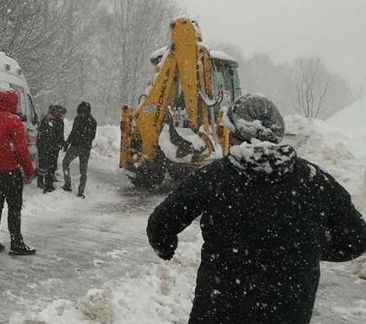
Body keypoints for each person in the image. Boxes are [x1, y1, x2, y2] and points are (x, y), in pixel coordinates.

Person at [146, 93, 366, 324]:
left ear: (234, 133)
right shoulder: (315, 181)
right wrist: (309, 250)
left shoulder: (215, 178)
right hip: (288, 313)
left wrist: (166, 247)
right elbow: (358, 238)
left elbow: (160, 225)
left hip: (219, 311)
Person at [0, 89, 37, 256]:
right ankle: (16, 242)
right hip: (9, 171)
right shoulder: (13, 120)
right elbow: (21, 149)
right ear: (12, 103)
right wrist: (29, 171)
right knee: (14, 207)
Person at [61, 101, 97, 198]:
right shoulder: (92, 121)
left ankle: (68, 184)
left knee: (65, 163)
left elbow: (74, 132)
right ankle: (81, 191)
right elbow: (91, 136)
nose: (81, 113)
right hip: (85, 148)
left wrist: (68, 143)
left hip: (76, 146)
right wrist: (85, 143)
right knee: (83, 171)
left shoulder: (79, 119)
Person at [36, 104, 66, 193]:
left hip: (54, 147)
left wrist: (62, 142)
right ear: (53, 111)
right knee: (45, 164)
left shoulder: (60, 121)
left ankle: (47, 181)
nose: (60, 114)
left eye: (61, 113)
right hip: (45, 146)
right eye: (58, 112)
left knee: (52, 165)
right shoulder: (47, 120)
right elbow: (43, 134)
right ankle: (45, 183)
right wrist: (45, 145)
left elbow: (60, 134)